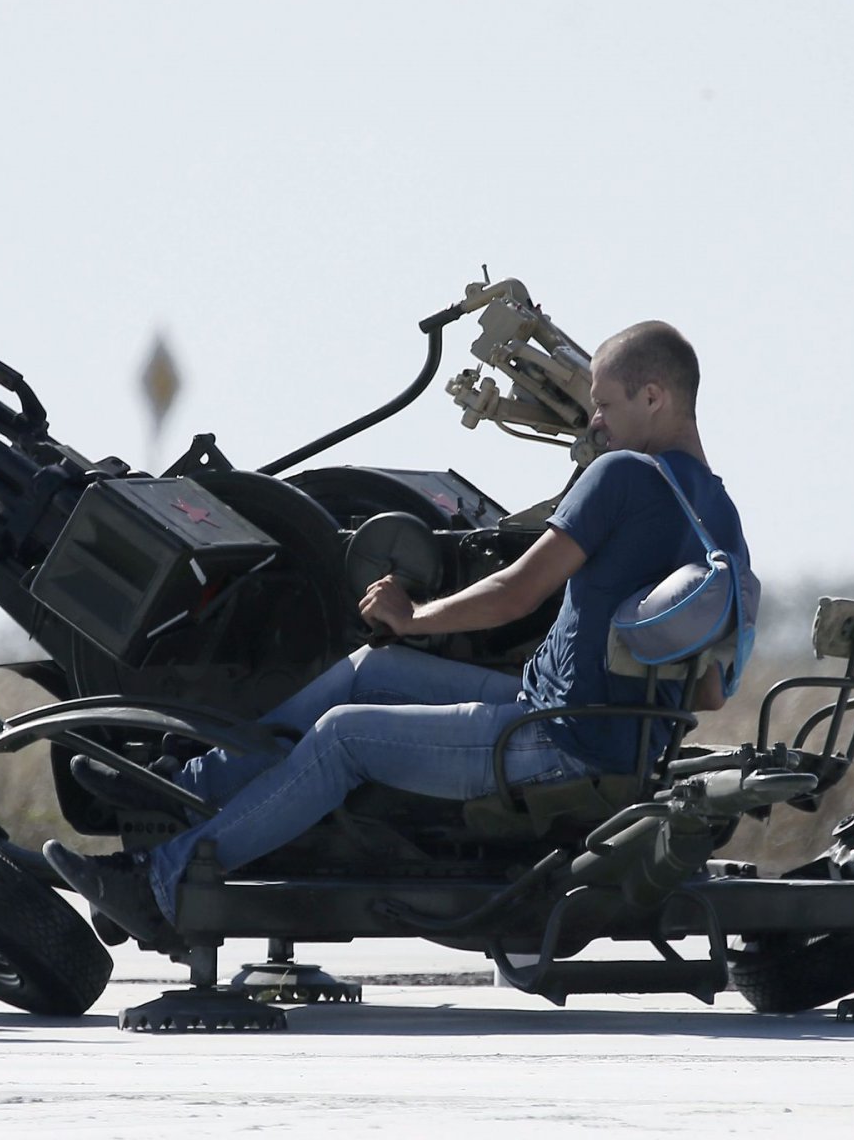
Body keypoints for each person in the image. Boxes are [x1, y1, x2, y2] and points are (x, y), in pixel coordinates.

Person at [44, 321, 751, 948]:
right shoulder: (720, 514)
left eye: (605, 404)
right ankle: (185, 790)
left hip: (554, 743)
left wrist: (413, 618)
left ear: (654, 396)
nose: (595, 422)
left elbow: (516, 592)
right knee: (365, 671)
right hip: (601, 733)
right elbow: (713, 690)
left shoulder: (623, 477)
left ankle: (160, 885)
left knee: (345, 736)